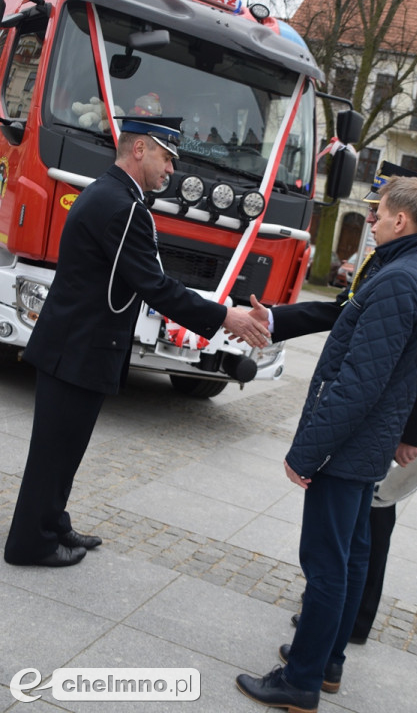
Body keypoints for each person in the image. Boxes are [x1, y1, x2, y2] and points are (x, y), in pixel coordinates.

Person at [4, 116, 269, 568]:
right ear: (140, 150)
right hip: (80, 348)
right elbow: (157, 286)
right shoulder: (125, 207)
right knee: (54, 452)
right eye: (167, 158)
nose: (171, 170)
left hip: (76, 344)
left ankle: (51, 521)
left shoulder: (110, 193)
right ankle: (31, 542)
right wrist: (226, 315)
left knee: (64, 447)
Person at [236, 175, 417, 713]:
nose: (370, 221)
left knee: (326, 564)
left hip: (351, 445)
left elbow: (360, 381)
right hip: (366, 443)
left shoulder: (400, 278)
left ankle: (300, 681)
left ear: (401, 220)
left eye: (378, 214)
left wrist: (308, 451)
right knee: (352, 556)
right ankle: (327, 661)